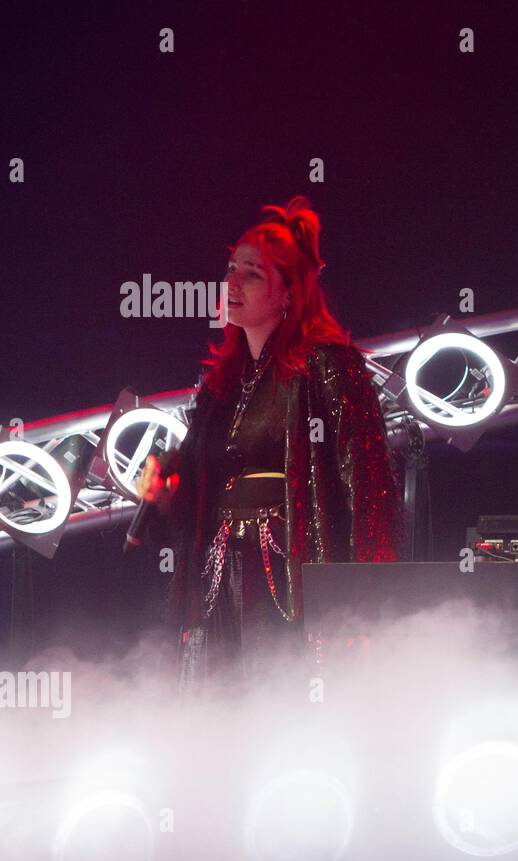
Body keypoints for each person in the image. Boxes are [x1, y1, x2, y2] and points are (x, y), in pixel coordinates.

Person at [136, 196, 403, 694]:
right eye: (231, 268)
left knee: (283, 703)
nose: (232, 282)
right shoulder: (221, 387)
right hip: (221, 572)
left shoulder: (328, 366)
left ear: (288, 293)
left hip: (289, 573)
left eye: (252, 274)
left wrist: (364, 604)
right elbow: (198, 493)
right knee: (222, 709)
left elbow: (368, 487)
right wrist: (166, 492)